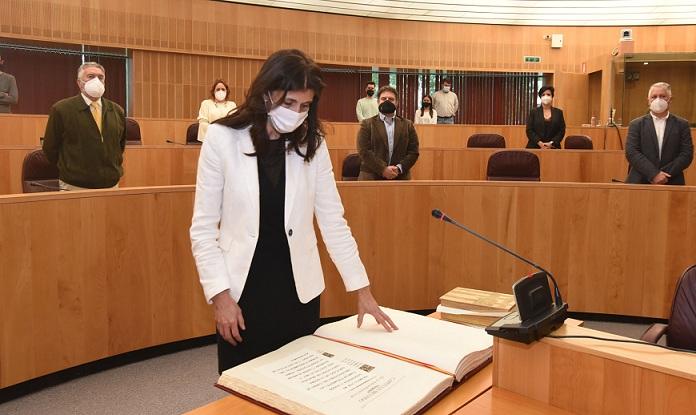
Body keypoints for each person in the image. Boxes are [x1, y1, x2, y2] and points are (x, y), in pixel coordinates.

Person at [190, 49, 397, 373]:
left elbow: (333, 221)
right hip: (242, 293)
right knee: (244, 395)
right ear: (266, 93)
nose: (296, 113)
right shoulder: (222, 138)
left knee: (298, 388)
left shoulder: (313, 142)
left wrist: (362, 288)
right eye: (288, 104)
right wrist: (220, 297)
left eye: (304, 106)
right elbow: (203, 229)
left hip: (298, 292)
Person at [43, 62, 126, 190]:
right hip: (75, 185)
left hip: (111, 184)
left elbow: (119, 146)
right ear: (79, 82)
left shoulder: (117, 110)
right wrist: (71, 169)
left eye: (100, 77)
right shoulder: (62, 109)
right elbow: (50, 148)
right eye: (91, 76)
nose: (96, 81)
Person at [625, 82, 693, 185]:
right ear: (648, 101)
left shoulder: (682, 124)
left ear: (670, 99)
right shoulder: (636, 124)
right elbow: (632, 152)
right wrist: (654, 174)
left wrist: (664, 175)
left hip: (672, 180)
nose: (658, 100)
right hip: (640, 181)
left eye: (662, 96)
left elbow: (686, 154)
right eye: (654, 97)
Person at [356, 85, 420, 180]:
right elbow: (364, 151)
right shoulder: (367, 124)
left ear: (397, 103)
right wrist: (383, 169)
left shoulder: (408, 125)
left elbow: (413, 152)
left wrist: (399, 168)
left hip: (400, 176)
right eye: (383, 98)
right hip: (370, 177)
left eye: (391, 99)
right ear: (378, 102)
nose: (387, 101)